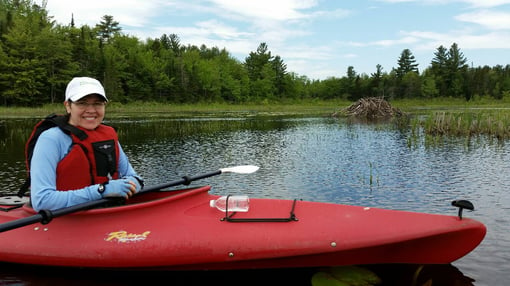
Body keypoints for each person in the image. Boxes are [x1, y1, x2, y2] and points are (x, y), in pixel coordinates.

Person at [30, 77, 143, 211]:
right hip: (66, 219)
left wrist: (130, 185)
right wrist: (102, 190)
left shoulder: (107, 135)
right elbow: (42, 201)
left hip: (104, 213)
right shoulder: (51, 139)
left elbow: (134, 177)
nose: (91, 110)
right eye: (82, 103)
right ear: (68, 106)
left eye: (98, 103)